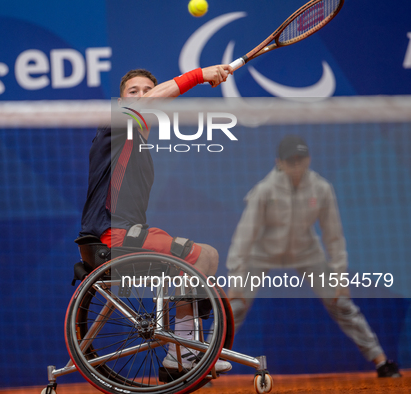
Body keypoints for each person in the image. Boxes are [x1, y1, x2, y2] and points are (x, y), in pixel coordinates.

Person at [78, 65, 233, 373]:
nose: (141, 96)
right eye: (132, 91)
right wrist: (200, 75)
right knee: (200, 257)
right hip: (113, 237)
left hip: (129, 233)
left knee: (206, 258)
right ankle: (185, 351)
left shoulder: (139, 145)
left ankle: (186, 347)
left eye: (148, 90)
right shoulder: (116, 121)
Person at [226, 134, 401, 378]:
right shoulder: (264, 190)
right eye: (291, 160)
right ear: (280, 162)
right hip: (262, 254)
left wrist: (340, 277)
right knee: (234, 306)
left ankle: (381, 361)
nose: (296, 165)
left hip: (307, 253)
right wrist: (236, 278)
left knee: (341, 302)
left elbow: (334, 236)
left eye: (301, 159)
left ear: (309, 159)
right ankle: (208, 366)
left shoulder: (322, 188)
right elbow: (244, 234)